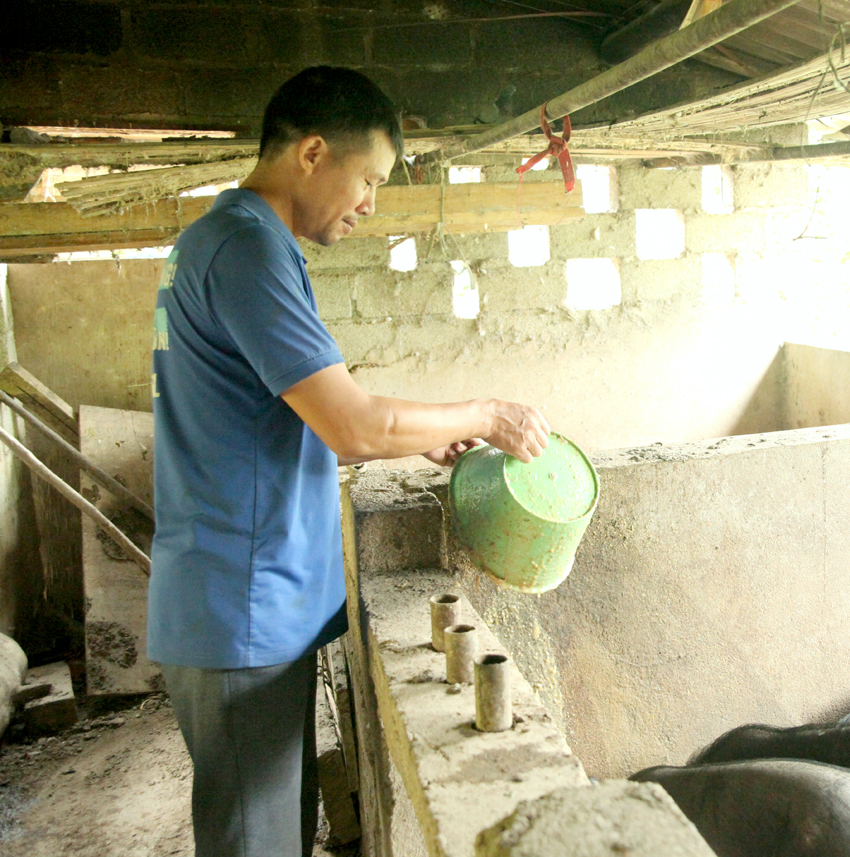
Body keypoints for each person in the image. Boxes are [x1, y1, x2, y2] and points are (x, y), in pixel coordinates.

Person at [148, 66, 550, 857]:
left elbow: (303, 403)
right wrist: (485, 414)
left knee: (273, 832)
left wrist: (421, 434)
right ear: (312, 153)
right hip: (243, 604)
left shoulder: (231, 239)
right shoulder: (246, 250)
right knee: (254, 843)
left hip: (241, 594)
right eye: (367, 177)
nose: (371, 201)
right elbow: (353, 427)